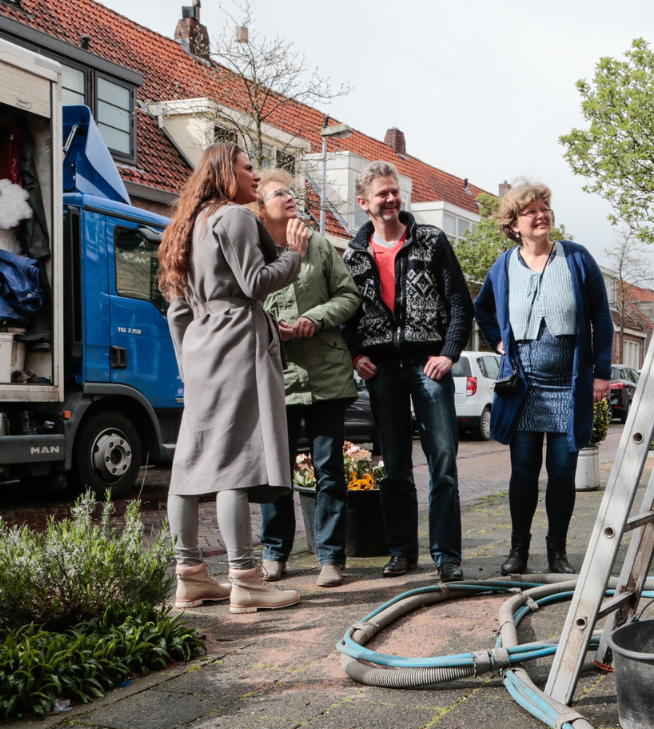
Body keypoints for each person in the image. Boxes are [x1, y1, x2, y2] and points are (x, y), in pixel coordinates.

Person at [158, 142, 308, 614]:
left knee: (188, 465)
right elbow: (256, 282)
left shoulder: (188, 226)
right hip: (237, 344)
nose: (256, 180)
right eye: (248, 171)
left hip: (201, 349)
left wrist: (190, 366)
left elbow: (176, 310)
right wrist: (292, 254)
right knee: (237, 463)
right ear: (226, 173)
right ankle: (246, 579)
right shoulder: (236, 218)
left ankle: (190, 577)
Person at [341, 161, 474, 582]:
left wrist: (449, 353)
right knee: (395, 464)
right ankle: (401, 551)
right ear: (365, 203)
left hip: (427, 365)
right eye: (382, 193)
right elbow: (347, 314)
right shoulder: (353, 255)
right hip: (382, 371)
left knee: (443, 459)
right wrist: (354, 354)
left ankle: (447, 555)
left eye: (394, 191)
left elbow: (460, 302)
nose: (391, 199)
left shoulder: (431, 240)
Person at [474, 182, 612, 575]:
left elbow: (601, 317)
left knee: (564, 471)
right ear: (513, 224)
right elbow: (482, 309)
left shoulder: (577, 258)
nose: (540, 215)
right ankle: (518, 549)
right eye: (530, 211)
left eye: (544, 208)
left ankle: (558, 552)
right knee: (523, 470)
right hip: (524, 384)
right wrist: (499, 342)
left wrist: (600, 373)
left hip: (568, 383)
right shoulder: (503, 266)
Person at [253, 170, 362, 588]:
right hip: (276, 377)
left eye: (292, 192)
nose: (290, 197)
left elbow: (349, 296)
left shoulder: (319, 244)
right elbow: (243, 300)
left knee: (329, 468)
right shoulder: (254, 249)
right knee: (273, 472)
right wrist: (269, 325)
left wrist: (314, 319)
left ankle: (331, 558)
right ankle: (274, 553)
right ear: (262, 207)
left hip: (325, 376)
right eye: (279, 193)